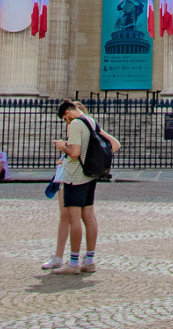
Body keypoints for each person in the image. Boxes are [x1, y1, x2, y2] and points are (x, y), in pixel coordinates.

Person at [45, 99, 121, 275]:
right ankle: (89, 261)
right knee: (89, 216)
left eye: (65, 119)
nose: (66, 122)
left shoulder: (76, 125)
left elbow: (74, 152)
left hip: (75, 177)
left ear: (68, 113)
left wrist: (62, 146)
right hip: (90, 175)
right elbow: (112, 144)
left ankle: (72, 264)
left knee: (74, 219)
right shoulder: (91, 121)